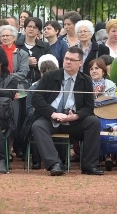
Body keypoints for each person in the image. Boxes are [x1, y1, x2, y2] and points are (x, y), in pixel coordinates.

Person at [30, 46, 103, 176]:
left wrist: (75, 116)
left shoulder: (85, 80)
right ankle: (55, 164)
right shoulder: (50, 76)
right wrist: (52, 113)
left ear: (80, 63)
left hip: (73, 122)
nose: (68, 62)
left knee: (93, 122)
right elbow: (36, 98)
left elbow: (89, 107)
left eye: (72, 60)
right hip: (51, 118)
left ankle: (89, 165)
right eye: (66, 59)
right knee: (38, 125)